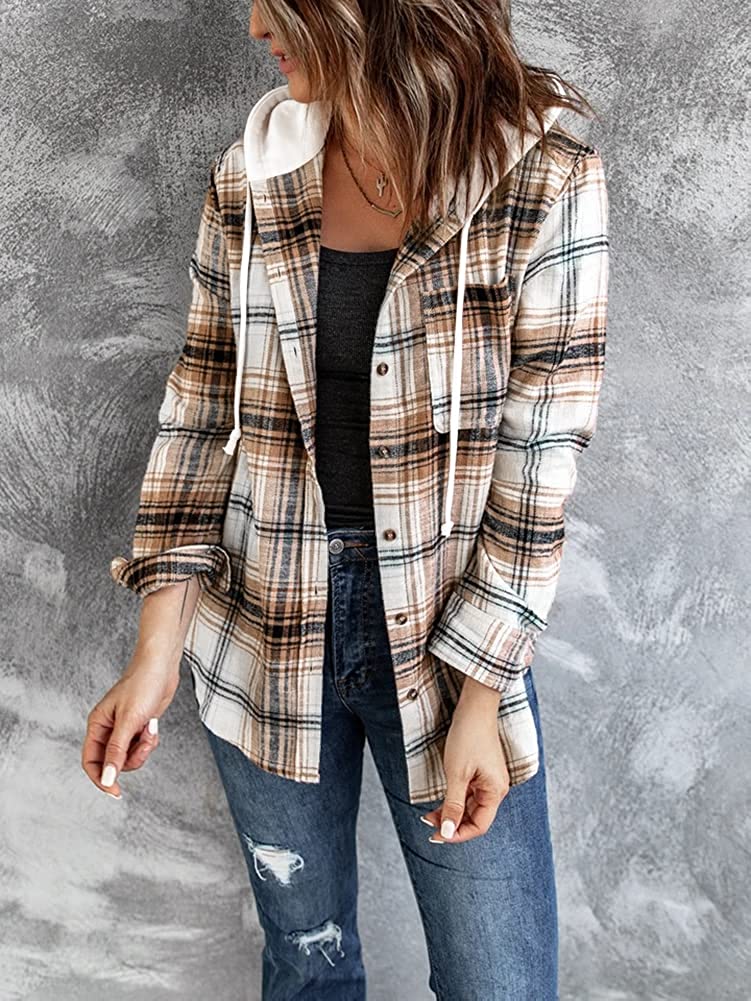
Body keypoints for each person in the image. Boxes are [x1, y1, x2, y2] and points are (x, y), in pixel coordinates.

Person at [83, 2, 609, 997]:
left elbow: (537, 460)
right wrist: (155, 652)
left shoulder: (542, 178)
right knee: (308, 962)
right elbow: (198, 415)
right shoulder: (253, 175)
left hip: (451, 643)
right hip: (262, 627)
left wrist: (480, 696)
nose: (254, 25)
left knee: (499, 981)